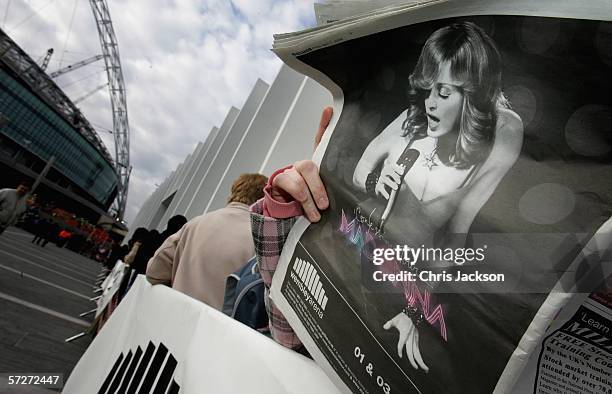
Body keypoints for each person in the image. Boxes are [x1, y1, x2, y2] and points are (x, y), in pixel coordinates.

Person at [146, 173, 268, 310]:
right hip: (220, 328)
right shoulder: (263, 241)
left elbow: (153, 272)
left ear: (234, 191)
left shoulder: (195, 224)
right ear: (264, 200)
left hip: (174, 316)